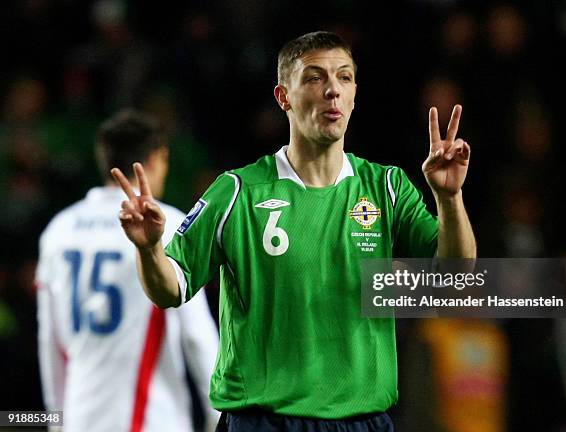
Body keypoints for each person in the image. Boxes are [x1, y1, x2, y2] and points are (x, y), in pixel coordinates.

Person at [112, 31, 476, 431]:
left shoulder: (385, 187)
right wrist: (149, 250)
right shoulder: (237, 192)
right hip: (264, 421)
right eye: (315, 78)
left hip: (363, 421)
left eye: (344, 77)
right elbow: (170, 290)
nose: (332, 91)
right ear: (283, 97)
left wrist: (449, 198)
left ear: (355, 93)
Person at [36, 110, 220, 432]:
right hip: (151, 419)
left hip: (80, 418)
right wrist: (218, 416)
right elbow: (197, 335)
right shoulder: (169, 224)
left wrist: (57, 420)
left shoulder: (58, 230)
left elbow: (49, 340)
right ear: (156, 157)